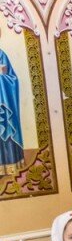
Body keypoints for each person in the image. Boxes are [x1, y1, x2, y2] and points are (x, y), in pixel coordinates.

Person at [0, 39, 23, 171]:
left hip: (2, 103)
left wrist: (1, 76)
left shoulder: (1, 54)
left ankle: (8, 166)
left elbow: (12, 78)